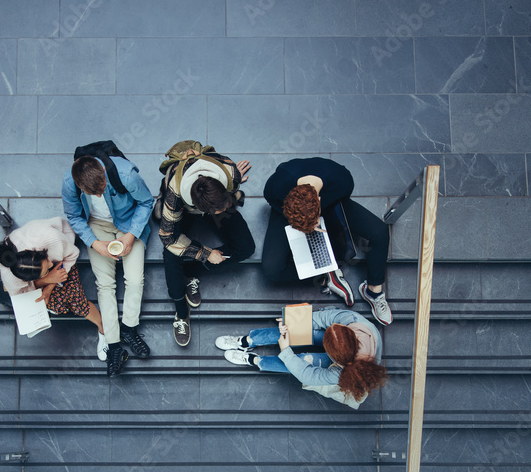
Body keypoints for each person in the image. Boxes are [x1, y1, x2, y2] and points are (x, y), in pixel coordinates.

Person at [262, 157, 392, 325]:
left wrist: (320, 219)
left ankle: (373, 291)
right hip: (290, 214)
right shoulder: (276, 186)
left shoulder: (342, 180)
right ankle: (326, 275)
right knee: (271, 270)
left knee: (380, 232)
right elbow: (272, 201)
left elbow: (343, 199)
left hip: (331, 204)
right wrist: (298, 223)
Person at [62, 153, 154, 374]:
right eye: (93, 193)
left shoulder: (126, 175)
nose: (100, 194)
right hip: (96, 226)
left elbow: (146, 201)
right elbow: (74, 216)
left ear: (103, 172)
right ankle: (113, 346)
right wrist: (95, 244)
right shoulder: (69, 184)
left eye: (102, 188)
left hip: (129, 222)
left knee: (134, 279)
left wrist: (131, 235)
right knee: (105, 284)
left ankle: (129, 329)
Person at [158, 141, 255, 346]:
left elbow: (230, 188)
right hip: (185, 209)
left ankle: (191, 271)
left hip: (213, 198)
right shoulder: (174, 197)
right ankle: (181, 311)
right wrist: (205, 252)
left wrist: (233, 185)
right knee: (170, 253)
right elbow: (167, 237)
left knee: (246, 247)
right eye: (216, 212)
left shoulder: (228, 172)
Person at [0, 216, 116, 374]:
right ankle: (58, 296)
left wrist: (50, 284)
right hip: (44, 274)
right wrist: (46, 280)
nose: (50, 265)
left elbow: (70, 256)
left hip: (63, 254)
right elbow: (22, 293)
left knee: (77, 304)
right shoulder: (10, 277)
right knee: (56, 304)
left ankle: (103, 328)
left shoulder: (51, 239)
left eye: (46, 263)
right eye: (45, 269)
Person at [215, 307, 387, 408]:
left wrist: (286, 351)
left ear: (337, 361)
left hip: (346, 365)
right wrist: (293, 323)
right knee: (297, 330)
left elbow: (307, 375)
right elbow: (325, 317)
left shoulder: (343, 374)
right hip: (344, 351)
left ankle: (255, 360)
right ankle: (247, 341)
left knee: (302, 361)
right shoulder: (354, 321)